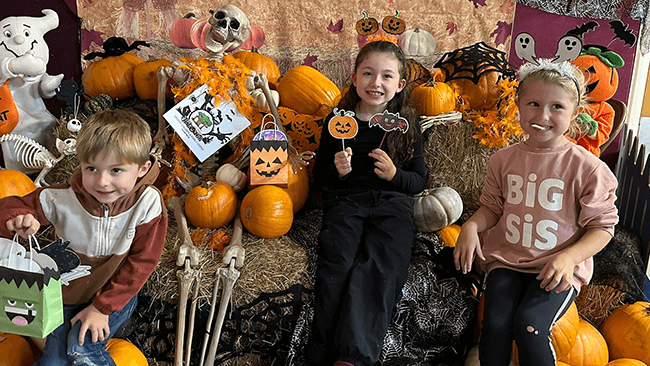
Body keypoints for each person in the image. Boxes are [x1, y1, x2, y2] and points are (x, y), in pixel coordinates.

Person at [453, 59, 618, 366]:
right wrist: (471, 227)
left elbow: (602, 228)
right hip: (508, 261)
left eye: (556, 107)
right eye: (533, 103)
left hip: (556, 267)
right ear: (518, 106)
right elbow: (492, 207)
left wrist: (569, 258)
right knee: (495, 326)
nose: (543, 115)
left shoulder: (587, 168)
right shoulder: (503, 160)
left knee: (530, 326)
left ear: (575, 113)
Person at [0, 109, 168, 366]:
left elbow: (142, 263)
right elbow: (11, 206)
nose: (102, 181)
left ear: (142, 168)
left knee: (82, 348)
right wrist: (19, 217)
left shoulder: (148, 205)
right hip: (65, 299)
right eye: (91, 168)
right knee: (54, 361)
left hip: (114, 296)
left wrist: (102, 308)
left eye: (116, 170)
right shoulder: (62, 199)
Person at [307, 40, 427, 366]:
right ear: (355, 77)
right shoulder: (339, 121)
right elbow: (319, 176)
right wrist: (337, 169)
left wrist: (394, 175)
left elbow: (419, 181)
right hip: (347, 201)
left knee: (381, 265)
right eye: (368, 74)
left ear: (400, 85)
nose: (376, 83)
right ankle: (320, 355)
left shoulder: (406, 123)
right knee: (338, 263)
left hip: (392, 205)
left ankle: (352, 358)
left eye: (386, 76)